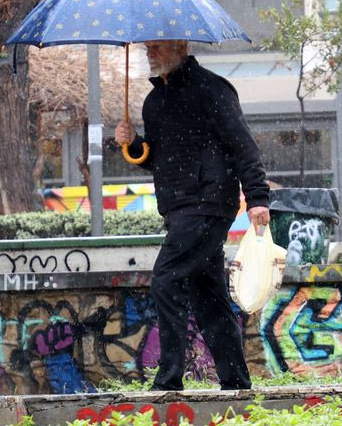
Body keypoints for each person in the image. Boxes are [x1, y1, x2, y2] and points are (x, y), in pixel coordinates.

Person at [115, 39, 270, 391]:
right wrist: (134, 142)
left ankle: (169, 379)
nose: (149, 53)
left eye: (157, 47)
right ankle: (237, 383)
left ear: (181, 45)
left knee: (165, 281)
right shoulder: (154, 102)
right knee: (208, 297)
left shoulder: (213, 89)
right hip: (177, 208)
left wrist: (258, 197)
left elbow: (243, 145)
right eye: (146, 48)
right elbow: (159, 159)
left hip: (208, 203)